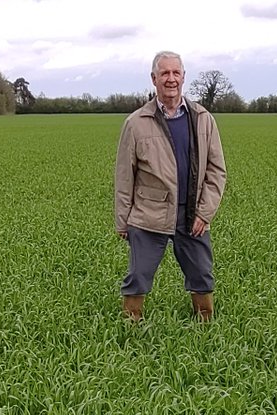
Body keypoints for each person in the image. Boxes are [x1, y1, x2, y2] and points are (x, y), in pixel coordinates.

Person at [114, 51, 227, 322]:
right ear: (154, 79)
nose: (171, 79)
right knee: (139, 274)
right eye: (164, 73)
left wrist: (204, 213)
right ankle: (131, 324)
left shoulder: (203, 118)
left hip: (192, 215)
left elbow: (217, 171)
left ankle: (205, 322)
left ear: (184, 77)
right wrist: (122, 220)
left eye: (176, 73)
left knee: (202, 273)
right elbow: (124, 175)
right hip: (148, 213)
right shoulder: (136, 123)